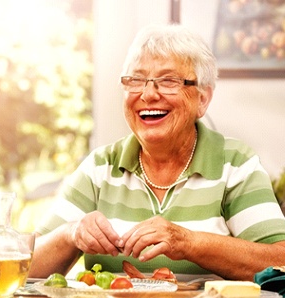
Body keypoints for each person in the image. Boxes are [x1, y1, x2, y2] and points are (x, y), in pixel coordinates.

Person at [29, 24, 285, 281]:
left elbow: (280, 262)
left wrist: (188, 243)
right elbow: (25, 268)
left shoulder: (236, 165)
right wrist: (70, 234)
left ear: (203, 99)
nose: (148, 94)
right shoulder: (99, 168)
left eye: (168, 81)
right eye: (136, 80)